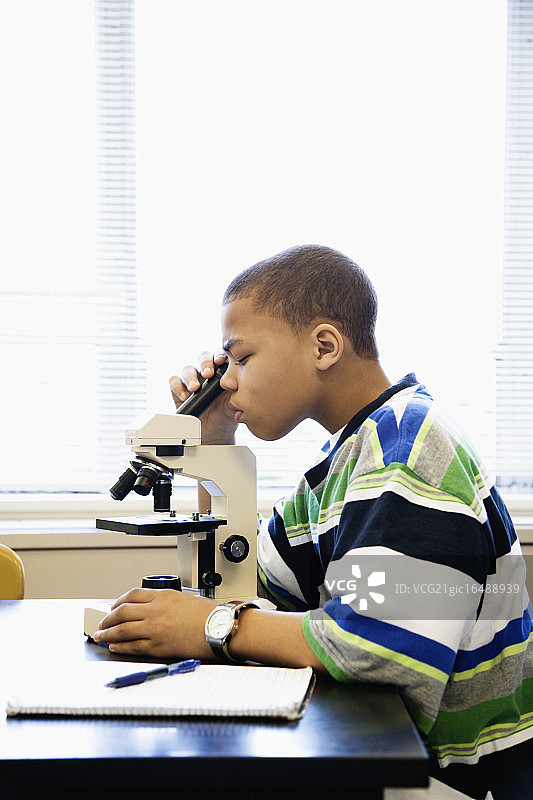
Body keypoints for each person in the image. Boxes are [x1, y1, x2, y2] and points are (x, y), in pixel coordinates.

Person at [94, 244, 533, 799]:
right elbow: (252, 577)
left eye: (242, 358)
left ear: (324, 346)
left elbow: (380, 649)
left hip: (458, 777)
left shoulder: (409, 446)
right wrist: (215, 448)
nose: (226, 381)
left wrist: (212, 627)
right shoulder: (346, 460)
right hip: (399, 749)